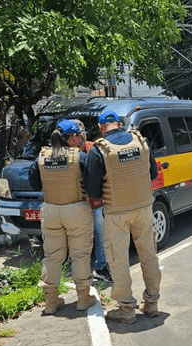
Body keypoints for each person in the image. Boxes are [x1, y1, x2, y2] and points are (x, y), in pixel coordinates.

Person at [84, 110, 161, 324]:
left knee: (118, 260)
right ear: (119, 124)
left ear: (101, 127)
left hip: (116, 213)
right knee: (148, 255)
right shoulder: (140, 142)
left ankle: (127, 309)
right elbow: (153, 174)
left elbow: (92, 189)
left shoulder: (99, 150)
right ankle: (152, 303)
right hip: (144, 209)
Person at [27, 119, 95, 315]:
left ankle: (50, 301)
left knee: (52, 256)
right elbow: (92, 184)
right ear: (72, 138)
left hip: (50, 211)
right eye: (79, 136)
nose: (81, 139)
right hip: (76, 210)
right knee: (80, 255)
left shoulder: (41, 157)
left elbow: (33, 183)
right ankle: (83, 298)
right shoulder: (79, 157)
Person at [70, 119, 111, 283]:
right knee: (80, 240)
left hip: (95, 203)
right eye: (73, 135)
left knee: (101, 237)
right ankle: (80, 273)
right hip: (76, 204)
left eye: (79, 134)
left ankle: (101, 267)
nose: (77, 138)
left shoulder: (93, 148)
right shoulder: (65, 153)